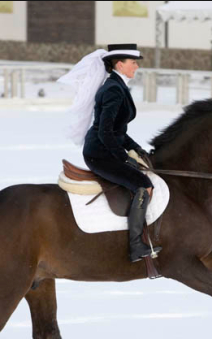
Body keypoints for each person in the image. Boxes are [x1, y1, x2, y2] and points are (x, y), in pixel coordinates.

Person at [58, 44, 161, 262]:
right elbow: (105, 132)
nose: (137, 66)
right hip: (100, 153)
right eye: (133, 62)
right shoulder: (114, 89)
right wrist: (124, 158)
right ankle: (136, 245)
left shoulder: (117, 85)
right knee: (143, 184)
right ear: (120, 64)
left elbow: (117, 130)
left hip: (105, 148)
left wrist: (135, 148)